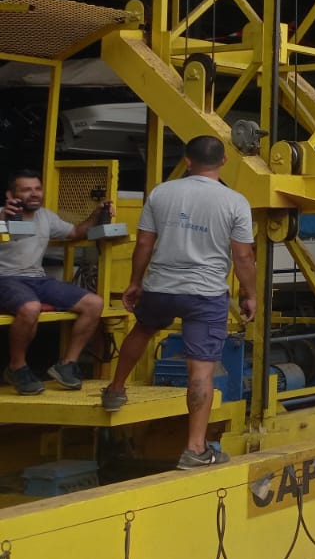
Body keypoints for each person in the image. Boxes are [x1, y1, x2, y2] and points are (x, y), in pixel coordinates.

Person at [102, 135, 256, 470]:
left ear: (187, 160)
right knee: (200, 368)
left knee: (143, 330)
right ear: (224, 162)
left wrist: (135, 281)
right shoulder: (235, 202)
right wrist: (250, 294)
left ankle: (115, 389)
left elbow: (144, 243)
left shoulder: (161, 192)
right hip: (205, 294)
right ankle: (195, 448)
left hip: (161, 286)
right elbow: (243, 257)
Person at [0, 168, 112, 394]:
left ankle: (67, 364)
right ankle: (16, 367)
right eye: (26, 190)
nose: (34, 194)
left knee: (94, 303)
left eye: (37, 189)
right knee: (31, 308)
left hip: (38, 279)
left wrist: (96, 214)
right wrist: (3, 219)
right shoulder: (1, 215)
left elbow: (75, 232)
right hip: (6, 278)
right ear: (11, 195)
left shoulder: (45, 216)